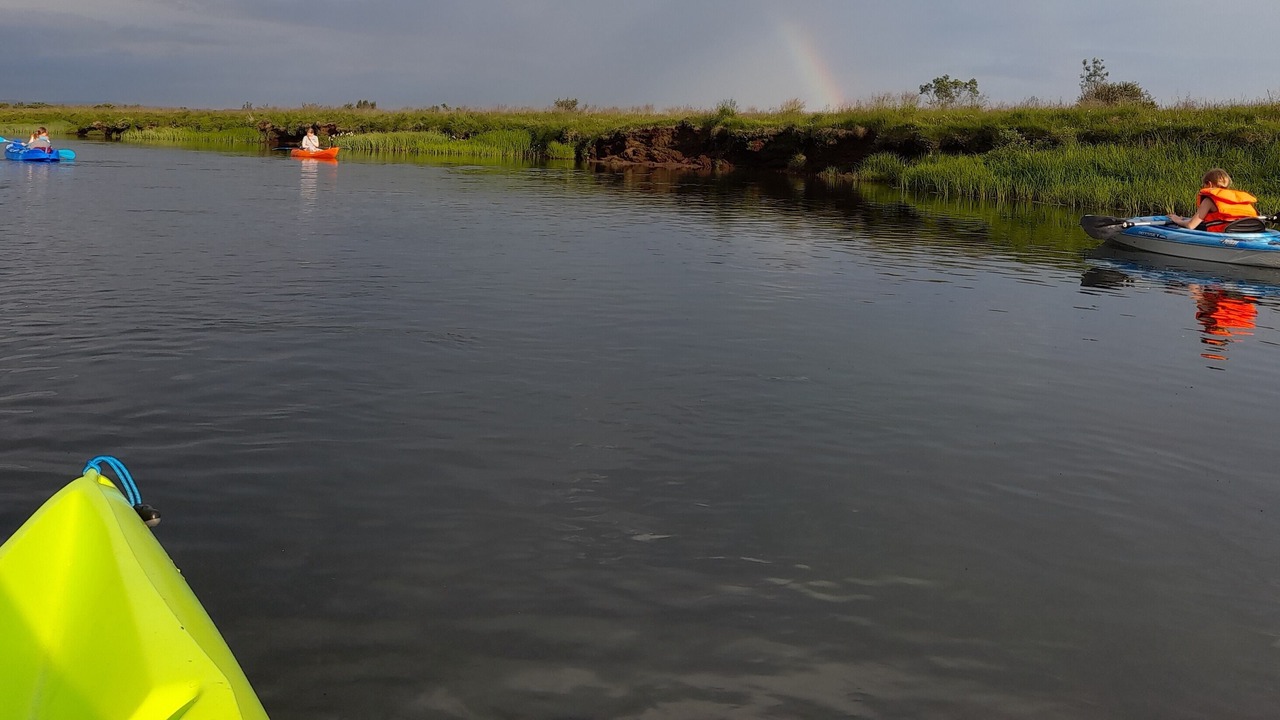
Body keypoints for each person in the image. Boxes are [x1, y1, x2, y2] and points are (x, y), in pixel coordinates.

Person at [1168, 168, 1257, 232]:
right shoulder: (1239, 200)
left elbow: (1191, 225)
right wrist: (1184, 220)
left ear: (1209, 184)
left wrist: (1177, 220)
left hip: (1224, 238)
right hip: (1249, 232)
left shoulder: (1209, 201)